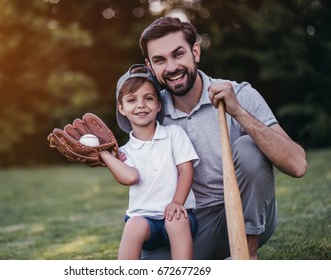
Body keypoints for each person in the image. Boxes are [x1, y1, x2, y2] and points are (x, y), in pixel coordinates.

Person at [137, 17, 307, 260]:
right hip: (194, 222)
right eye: (160, 60)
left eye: (178, 54)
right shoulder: (152, 110)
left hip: (250, 215)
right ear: (150, 66)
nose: (172, 67)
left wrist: (238, 111)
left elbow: (298, 165)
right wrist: (103, 154)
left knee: (249, 147)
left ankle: (245, 259)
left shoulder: (239, 94)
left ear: (195, 51)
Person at [99, 64, 200, 259]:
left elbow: (186, 170)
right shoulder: (123, 152)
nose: (141, 105)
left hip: (179, 214)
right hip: (145, 222)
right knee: (133, 225)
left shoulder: (173, 134)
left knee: (176, 219)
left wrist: (177, 203)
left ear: (159, 104)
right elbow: (130, 177)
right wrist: (105, 155)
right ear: (121, 108)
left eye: (149, 98)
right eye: (131, 100)